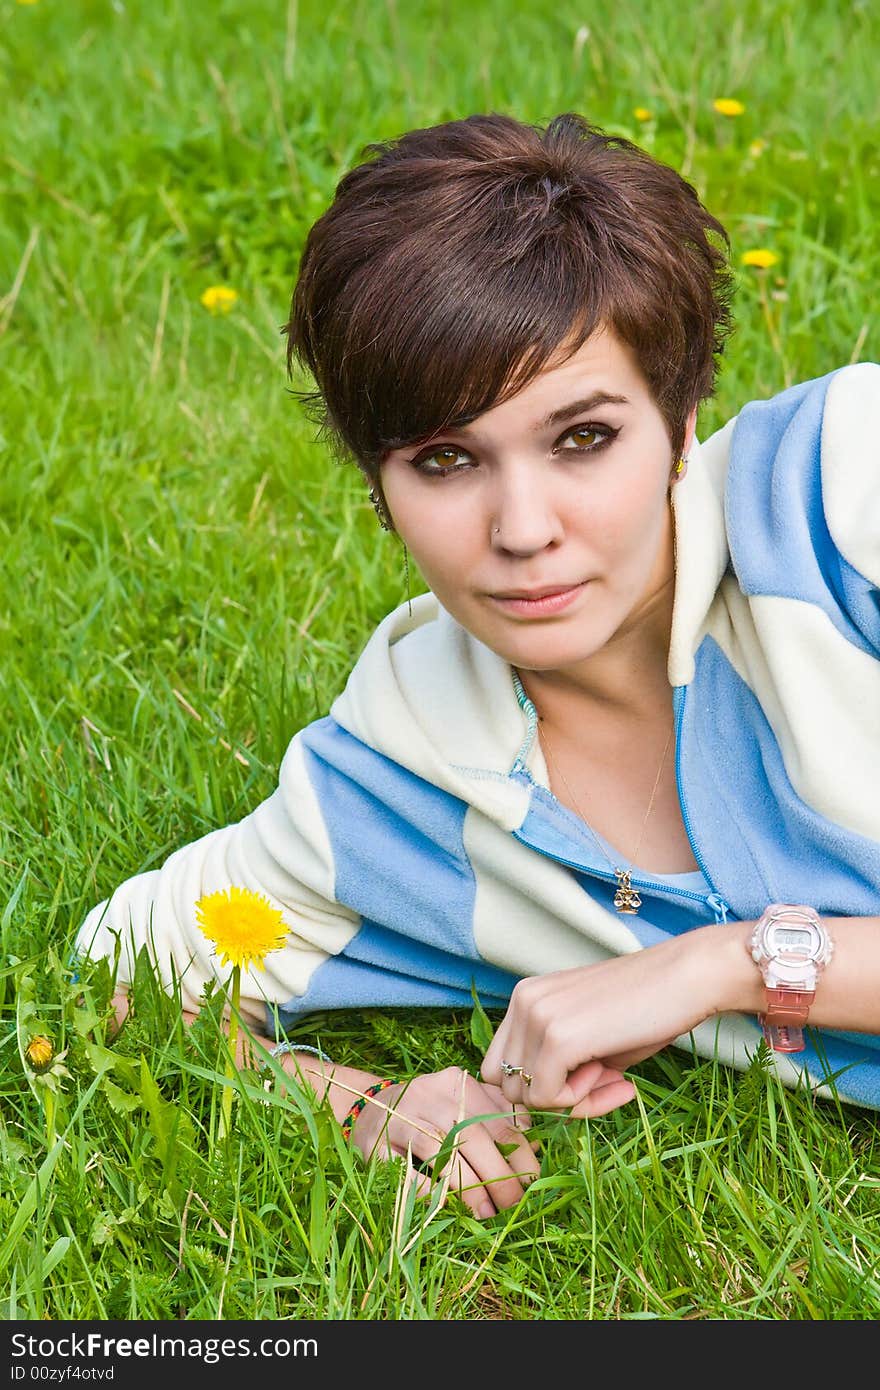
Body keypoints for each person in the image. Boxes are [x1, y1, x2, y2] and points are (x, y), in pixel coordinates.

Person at [73, 110, 880, 1223]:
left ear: (683, 417)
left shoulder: (840, 496)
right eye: (445, 459)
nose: (521, 526)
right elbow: (111, 976)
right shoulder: (396, 776)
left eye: (583, 437)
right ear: (377, 486)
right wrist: (357, 1104)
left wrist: (728, 965)